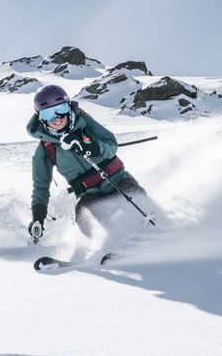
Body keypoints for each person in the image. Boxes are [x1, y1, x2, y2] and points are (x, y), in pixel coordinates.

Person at [26, 84, 147, 244]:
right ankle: (110, 246)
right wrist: (38, 217)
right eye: (48, 114)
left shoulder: (84, 122)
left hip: (118, 180)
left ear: (68, 107)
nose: (57, 118)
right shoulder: (46, 149)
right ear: (40, 117)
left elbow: (111, 144)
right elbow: (40, 187)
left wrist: (92, 148)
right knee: (85, 216)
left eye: (61, 109)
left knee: (135, 199)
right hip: (88, 194)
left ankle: (148, 235)